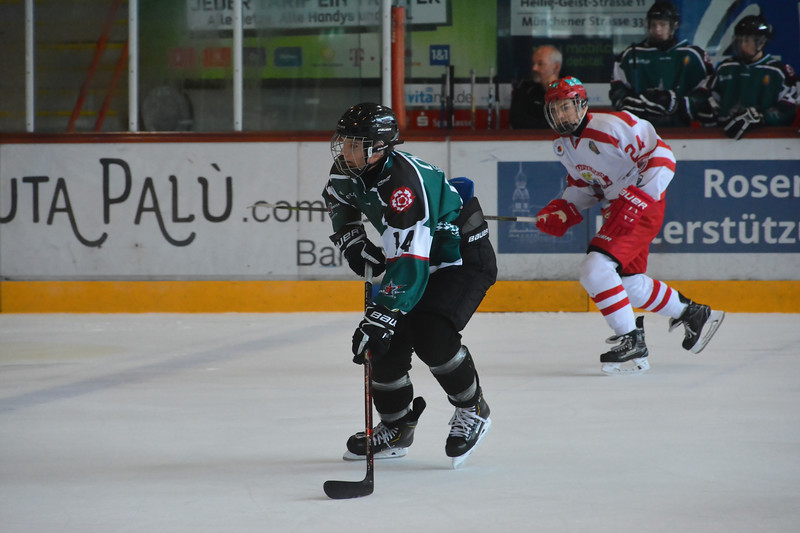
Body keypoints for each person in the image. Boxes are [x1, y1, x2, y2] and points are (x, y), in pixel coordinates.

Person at [322, 102, 497, 467]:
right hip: (414, 261)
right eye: (345, 141)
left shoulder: (403, 186)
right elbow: (338, 200)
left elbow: (410, 266)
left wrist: (383, 314)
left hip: (460, 257)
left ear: (378, 148)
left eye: (355, 143)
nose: (345, 150)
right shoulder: (346, 170)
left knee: (431, 333)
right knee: (383, 346)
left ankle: (473, 408)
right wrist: (353, 242)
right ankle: (397, 427)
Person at [535, 76, 724, 375]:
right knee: (628, 285)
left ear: (582, 105)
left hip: (642, 206)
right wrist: (564, 209)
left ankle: (631, 340)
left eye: (566, 106)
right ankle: (693, 313)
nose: (561, 114)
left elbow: (663, 156)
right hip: (617, 208)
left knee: (595, 269)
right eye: (555, 109)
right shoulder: (563, 147)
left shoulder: (613, 126)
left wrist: (638, 198)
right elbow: (587, 187)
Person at [691, 14, 798, 140]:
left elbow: (788, 109)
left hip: (766, 140)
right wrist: (707, 110)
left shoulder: (778, 71)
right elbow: (706, 97)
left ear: (761, 43)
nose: (742, 45)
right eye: (739, 40)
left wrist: (761, 117)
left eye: (747, 41)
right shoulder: (725, 67)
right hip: (725, 137)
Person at [610, 1, 714, 128]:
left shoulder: (692, 55)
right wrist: (625, 102)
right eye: (654, 24)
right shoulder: (631, 55)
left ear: (674, 25)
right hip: (639, 129)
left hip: (680, 130)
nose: (657, 30)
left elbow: (706, 90)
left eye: (662, 25)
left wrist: (681, 105)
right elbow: (617, 88)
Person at [509, 45, 563, 129]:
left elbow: (572, 122)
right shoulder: (525, 89)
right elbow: (517, 121)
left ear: (556, 67)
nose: (534, 68)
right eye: (533, 64)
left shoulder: (569, 91)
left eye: (540, 64)